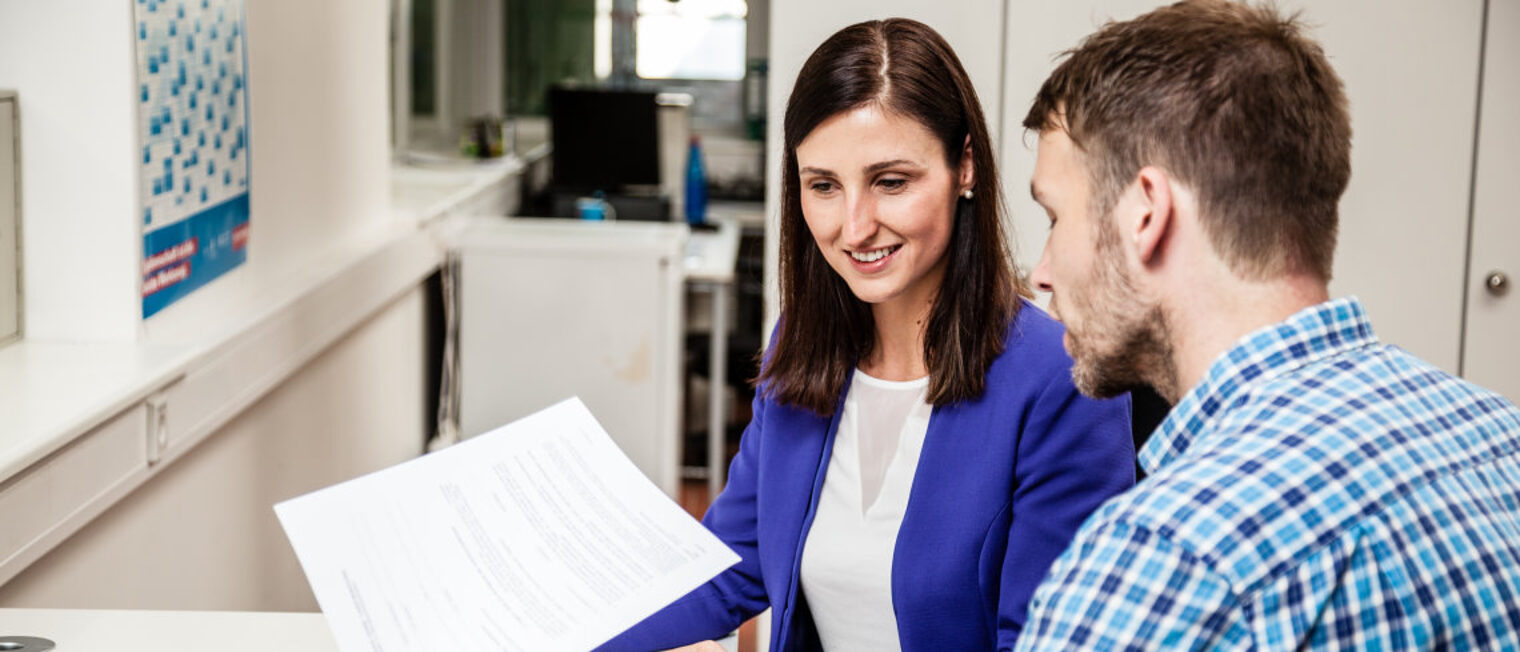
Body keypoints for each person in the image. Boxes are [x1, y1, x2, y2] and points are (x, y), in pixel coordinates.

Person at [596, 18, 1134, 652]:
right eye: (823, 186)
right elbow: (720, 573)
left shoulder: (1060, 384)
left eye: (890, 182)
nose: (854, 228)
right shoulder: (800, 346)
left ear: (965, 167)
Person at [1015, 1, 1520, 649]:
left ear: (1146, 213)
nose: (1043, 272)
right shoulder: (1498, 436)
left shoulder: (1161, 567)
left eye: (1056, 218)